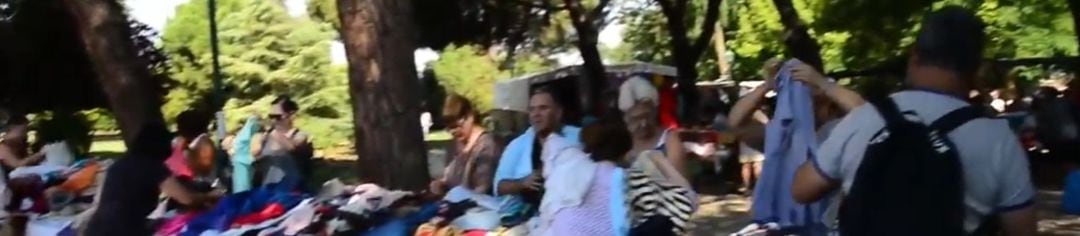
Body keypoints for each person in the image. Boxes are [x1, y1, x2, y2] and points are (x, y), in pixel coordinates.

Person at [791, 7, 1036, 236]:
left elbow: (801, 190)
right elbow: (1022, 229)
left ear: (913, 55)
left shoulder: (865, 119)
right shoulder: (998, 138)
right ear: (974, 69)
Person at [538, 117, 695, 236]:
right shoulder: (625, 179)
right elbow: (688, 201)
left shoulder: (570, 169)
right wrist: (658, 159)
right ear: (626, 151)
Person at [727, 59, 864, 193]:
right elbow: (735, 124)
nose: (799, 103)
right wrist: (767, 85)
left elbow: (867, 115)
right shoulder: (784, 136)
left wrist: (823, 84)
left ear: (827, 102)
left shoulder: (842, 132)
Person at [85, 123, 223, 236]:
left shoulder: (121, 163)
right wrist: (209, 196)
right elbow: (186, 198)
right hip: (123, 230)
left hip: (97, 228)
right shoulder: (152, 166)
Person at [492, 86, 581, 229]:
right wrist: (522, 183)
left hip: (571, 216)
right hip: (527, 218)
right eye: (532, 109)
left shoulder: (578, 138)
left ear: (558, 112)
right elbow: (499, 186)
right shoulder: (517, 145)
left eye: (543, 108)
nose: (536, 114)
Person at [618, 75, 689, 180]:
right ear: (625, 117)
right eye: (636, 119)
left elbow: (681, 189)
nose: (643, 123)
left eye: (647, 116)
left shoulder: (670, 141)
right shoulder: (622, 143)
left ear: (655, 112)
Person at [254, 95, 313, 189]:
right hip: (269, 191)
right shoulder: (266, 137)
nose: (273, 120)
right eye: (271, 116)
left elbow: (292, 148)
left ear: (291, 115)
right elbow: (254, 157)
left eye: (277, 117)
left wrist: (273, 132)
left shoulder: (300, 136)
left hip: (293, 191)